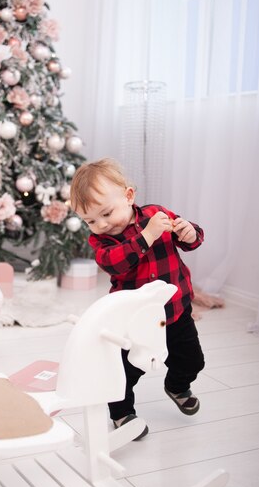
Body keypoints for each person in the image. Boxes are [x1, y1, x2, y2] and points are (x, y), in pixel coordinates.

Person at [70, 157, 205, 439]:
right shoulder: (103, 241)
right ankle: (120, 413)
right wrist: (146, 237)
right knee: (125, 371)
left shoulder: (156, 214)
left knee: (191, 360)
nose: (101, 224)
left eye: (106, 214)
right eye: (90, 221)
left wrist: (189, 233)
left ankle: (177, 385)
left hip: (176, 311)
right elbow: (113, 263)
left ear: (129, 196)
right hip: (133, 322)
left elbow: (189, 239)